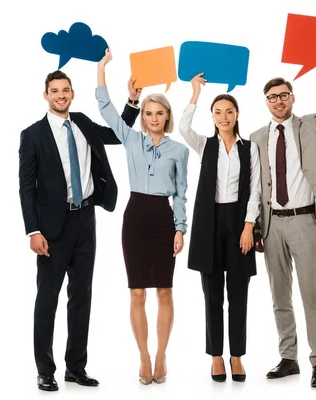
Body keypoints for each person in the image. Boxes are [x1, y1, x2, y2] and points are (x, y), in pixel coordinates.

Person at [18, 69, 141, 391]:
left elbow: (116, 134)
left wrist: (132, 101)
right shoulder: (32, 135)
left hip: (86, 219)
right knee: (47, 298)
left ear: (72, 93)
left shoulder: (83, 122)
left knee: (81, 296)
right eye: (55, 91)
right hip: (51, 228)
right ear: (46, 95)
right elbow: (26, 188)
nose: (61, 95)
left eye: (66, 90)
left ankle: (76, 367)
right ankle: (45, 370)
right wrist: (33, 231)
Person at [249, 54, 316, 387]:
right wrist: (254, 227)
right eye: (272, 97)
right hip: (271, 226)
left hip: (303, 221)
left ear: (292, 98)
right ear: (266, 102)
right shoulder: (256, 137)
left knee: (310, 292)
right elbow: (252, 185)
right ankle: (288, 358)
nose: (279, 101)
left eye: (284, 95)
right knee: (279, 295)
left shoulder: (311, 124)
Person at [95, 49, 189, 385]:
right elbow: (107, 111)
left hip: (163, 219)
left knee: (165, 290)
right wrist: (102, 69)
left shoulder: (179, 150)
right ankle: (144, 357)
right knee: (137, 292)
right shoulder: (131, 140)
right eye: (147, 112)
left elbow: (181, 193)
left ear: (167, 116)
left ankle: (162, 355)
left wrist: (180, 229)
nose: (152, 117)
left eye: (158, 113)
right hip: (135, 217)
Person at [179, 73, 261, 382]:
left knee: (238, 292)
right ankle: (216, 356)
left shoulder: (249, 148)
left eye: (228, 111)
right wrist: (195, 93)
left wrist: (248, 226)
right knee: (211, 293)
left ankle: (236, 356)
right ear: (212, 117)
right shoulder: (205, 144)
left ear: (237, 115)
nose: (223, 117)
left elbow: (254, 189)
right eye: (218, 112)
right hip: (209, 224)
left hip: (239, 223)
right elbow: (183, 128)